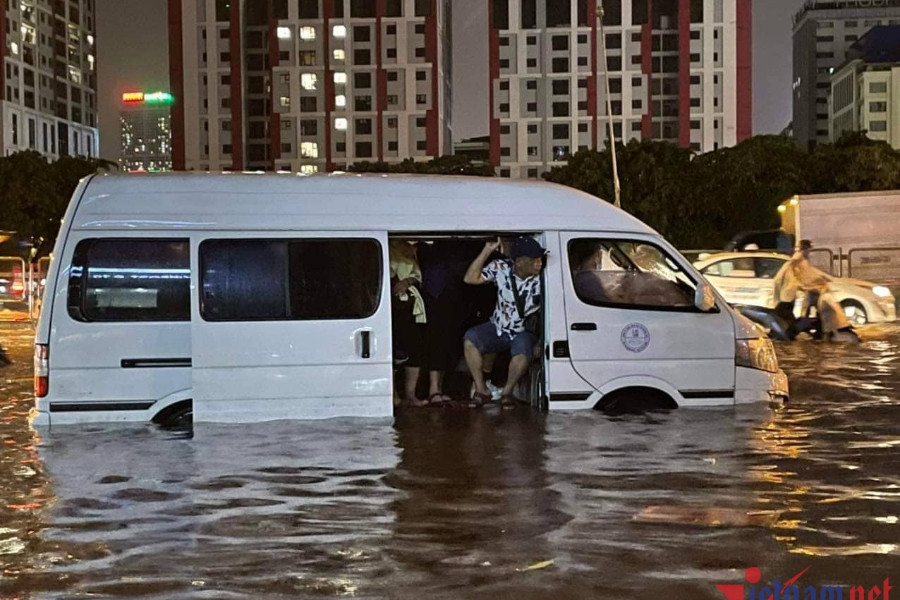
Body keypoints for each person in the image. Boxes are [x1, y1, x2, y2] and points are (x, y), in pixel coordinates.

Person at [462, 236, 545, 408]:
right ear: (520, 262)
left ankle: (507, 393)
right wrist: (487, 250)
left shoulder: (544, 278)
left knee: (523, 350)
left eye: (540, 259)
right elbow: (470, 278)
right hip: (498, 327)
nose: (539, 263)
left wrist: (540, 340)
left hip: (523, 331)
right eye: (535, 260)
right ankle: (481, 389)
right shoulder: (501, 268)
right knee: (470, 339)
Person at [389, 240, 428, 407]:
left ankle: (410, 395)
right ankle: (392, 396)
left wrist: (407, 282)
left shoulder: (406, 248)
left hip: (409, 308)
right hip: (386, 306)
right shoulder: (381, 244)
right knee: (390, 351)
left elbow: (416, 276)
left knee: (415, 348)